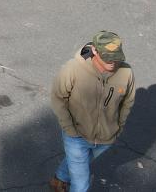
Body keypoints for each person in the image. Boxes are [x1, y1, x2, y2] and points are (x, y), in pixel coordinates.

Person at [48, 31, 135, 192]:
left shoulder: (126, 72)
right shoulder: (73, 69)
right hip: (76, 135)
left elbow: (127, 102)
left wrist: (118, 126)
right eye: (108, 57)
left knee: (82, 161)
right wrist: (69, 128)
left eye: (116, 57)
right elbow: (58, 97)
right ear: (95, 50)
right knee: (81, 184)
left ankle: (59, 178)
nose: (113, 62)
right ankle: (62, 179)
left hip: (106, 138)